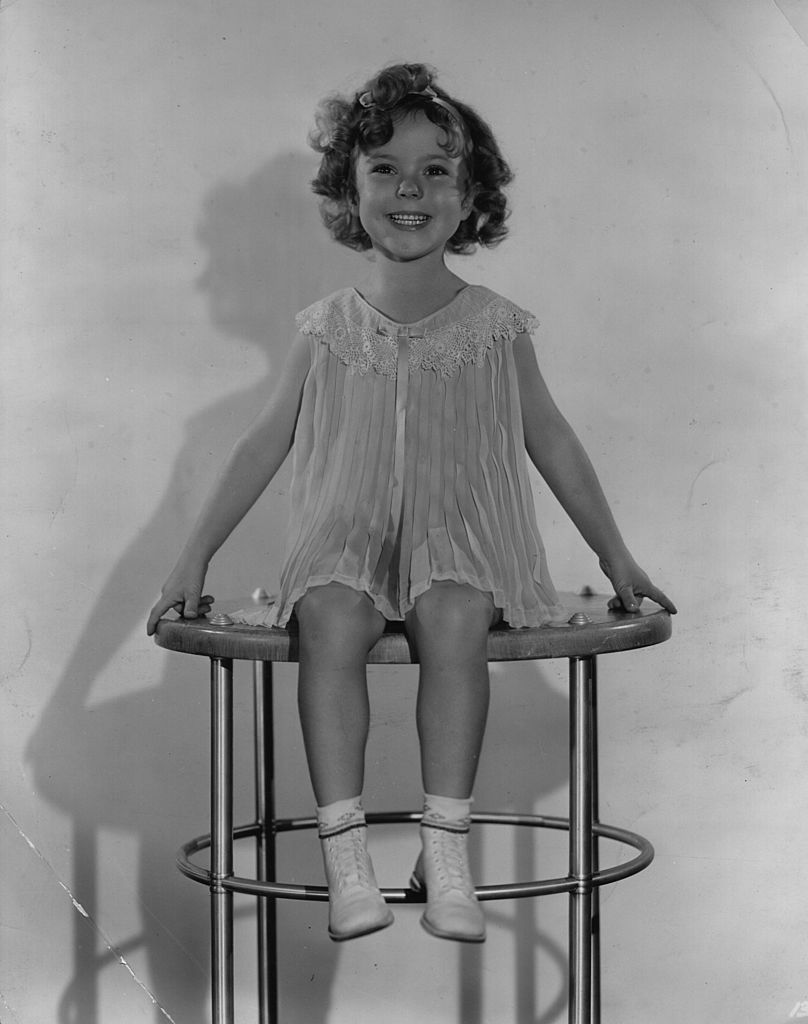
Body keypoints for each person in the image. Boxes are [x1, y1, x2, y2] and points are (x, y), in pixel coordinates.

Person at [147, 62, 676, 945]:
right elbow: (263, 444)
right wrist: (191, 556)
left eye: (437, 171)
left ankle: (447, 846)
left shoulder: (495, 326)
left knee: (459, 611)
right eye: (385, 168)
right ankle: (345, 851)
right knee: (328, 614)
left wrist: (617, 559)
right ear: (351, 194)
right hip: (345, 536)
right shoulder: (327, 327)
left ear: (470, 200)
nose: (410, 189)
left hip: (457, 533)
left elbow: (553, 443)